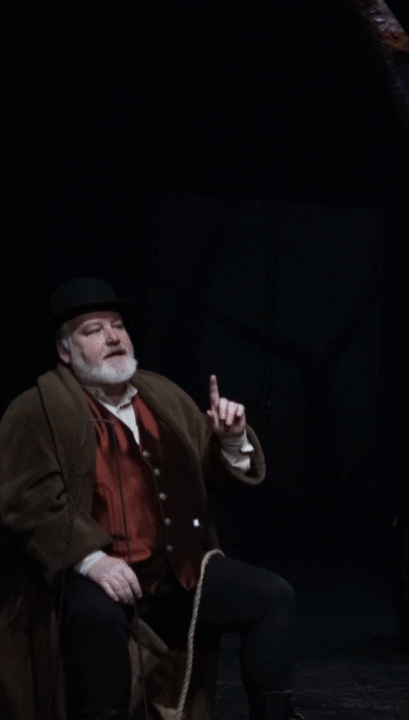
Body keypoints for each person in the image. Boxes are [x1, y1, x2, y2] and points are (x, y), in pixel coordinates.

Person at [0, 277, 300, 720]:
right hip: (92, 574)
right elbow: (29, 501)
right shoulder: (38, 408)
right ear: (65, 351)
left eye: (118, 325)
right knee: (96, 616)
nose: (112, 337)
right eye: (94, 330)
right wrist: (91, 560)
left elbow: (212, 471)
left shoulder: (163, 396)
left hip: (178, 573)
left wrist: (232, 440)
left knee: (272, 597)